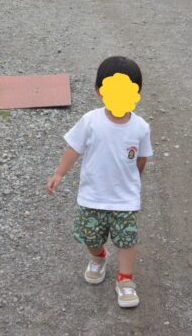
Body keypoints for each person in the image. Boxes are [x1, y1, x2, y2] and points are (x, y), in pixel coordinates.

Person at [46, 56, 152, 309]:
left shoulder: (140, 127)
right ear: (99, 92)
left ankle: (125, 280)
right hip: (92, 196)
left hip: (125, 199)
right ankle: (99, 257)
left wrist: (134, 182)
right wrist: (59, 173)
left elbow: (142, 158)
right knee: (90, 236)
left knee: (127, 240)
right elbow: (74, 148)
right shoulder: (91, 121)